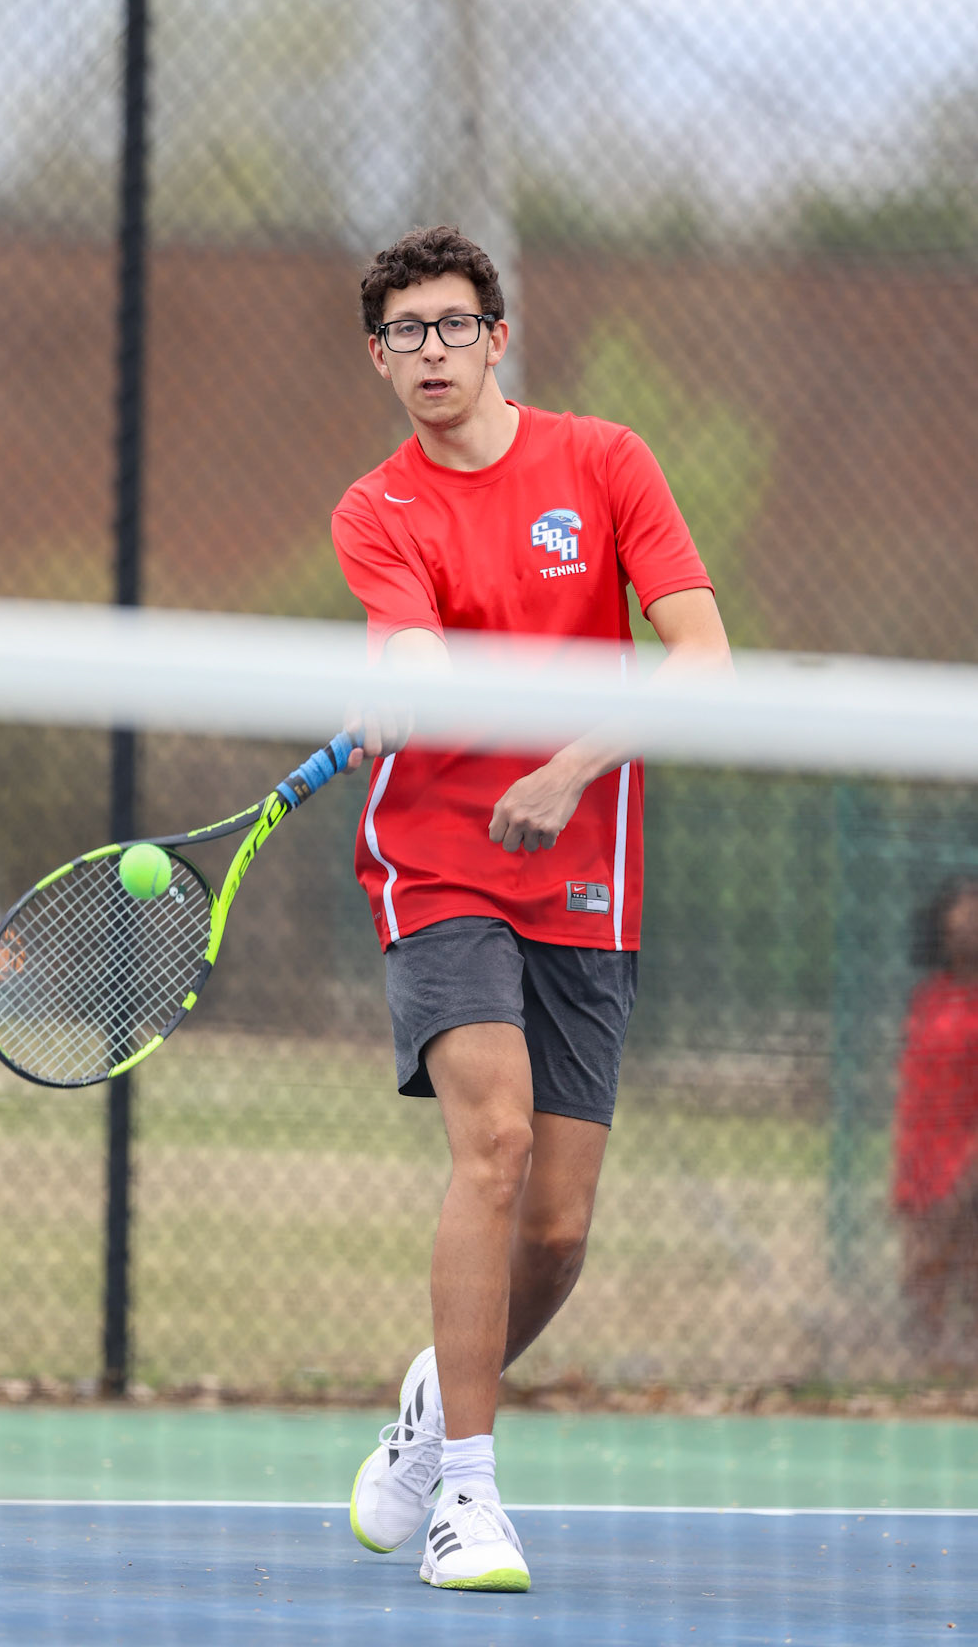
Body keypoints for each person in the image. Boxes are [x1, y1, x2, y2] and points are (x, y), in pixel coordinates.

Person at [331, 225, 732, 1593]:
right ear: (379, 358)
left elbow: (700, 655)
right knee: (491, 1141)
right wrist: (418, 680)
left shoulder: (605, 464)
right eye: (404, 335)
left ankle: (432, 1405)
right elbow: (421, 643)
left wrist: (571, 767)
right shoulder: (376, 509)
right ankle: (469, 1499)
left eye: (452, 326)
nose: (429, 353)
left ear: (497, 338)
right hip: (437, 858)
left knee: (555, 1230)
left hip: (582, 856)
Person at [892, 877, 978, 1371]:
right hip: (922, 1151)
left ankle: (966, 1366)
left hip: (968, 1151)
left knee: (968, 1263)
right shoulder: (928, 996)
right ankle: (927, 1367)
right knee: (921, 1268)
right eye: (959, 916)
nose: (967, 927)